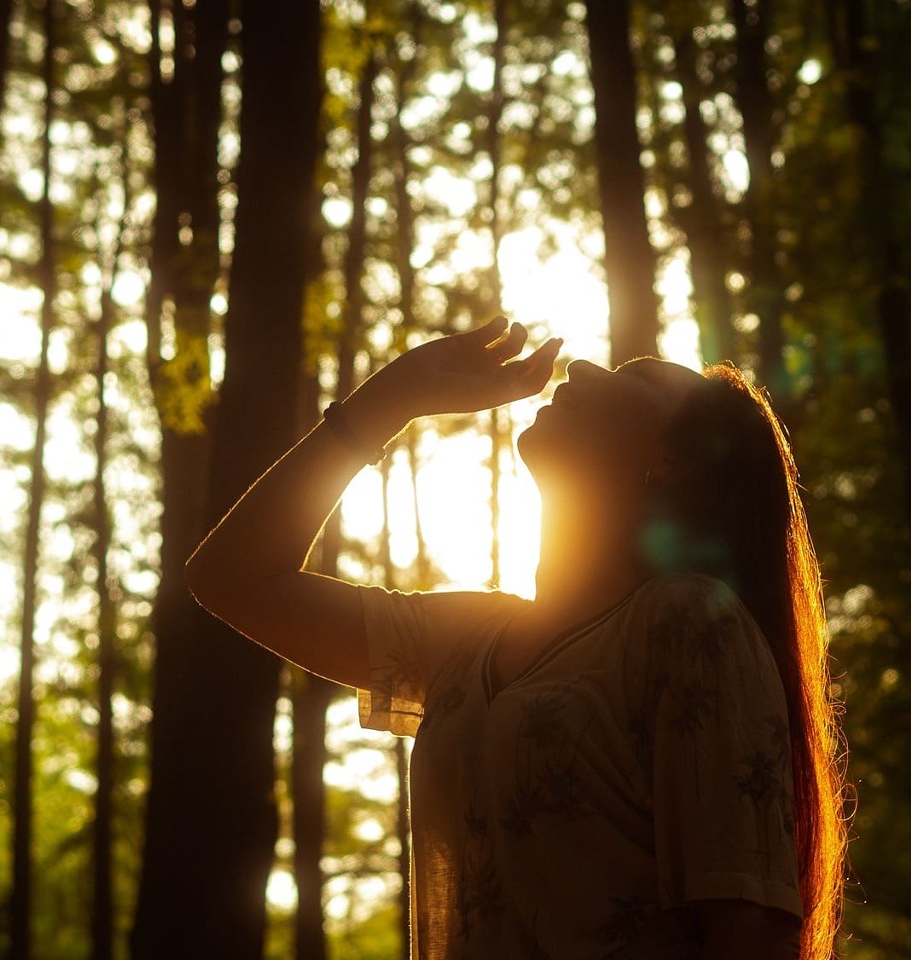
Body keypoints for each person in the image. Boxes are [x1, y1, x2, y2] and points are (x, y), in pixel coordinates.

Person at [185, 316, 847, 960]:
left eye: (636, 376)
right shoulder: (467, 644)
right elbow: (230, 578)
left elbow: (748, 933)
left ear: (668, 462)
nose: (585, 366)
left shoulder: (689, 622)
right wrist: (396, 395)